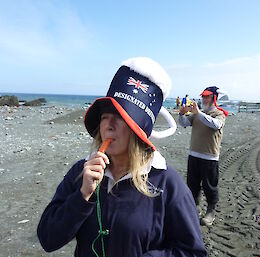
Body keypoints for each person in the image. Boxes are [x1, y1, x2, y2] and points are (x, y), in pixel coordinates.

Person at [37, 57, 207, 257]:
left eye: (120, 118)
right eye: (104, 118)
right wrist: (82, 195)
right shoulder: (81, 171)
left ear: (138, 132)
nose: (109, 126)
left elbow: (192, 252)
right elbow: (48, 239)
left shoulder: (167, 182)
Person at [178, 86, 228, 226]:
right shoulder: (198, 114)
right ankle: (194, 209)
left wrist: (198, 113)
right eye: (203, 96)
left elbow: (216, 125)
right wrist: (181, 114)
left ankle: (210, 212)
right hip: (194, 155)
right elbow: (184, 123)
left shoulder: (219, 114)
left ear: (214, 98)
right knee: (192, 185)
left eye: (207, 96)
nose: (204, 99)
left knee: (210, 186)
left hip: (210, 157)